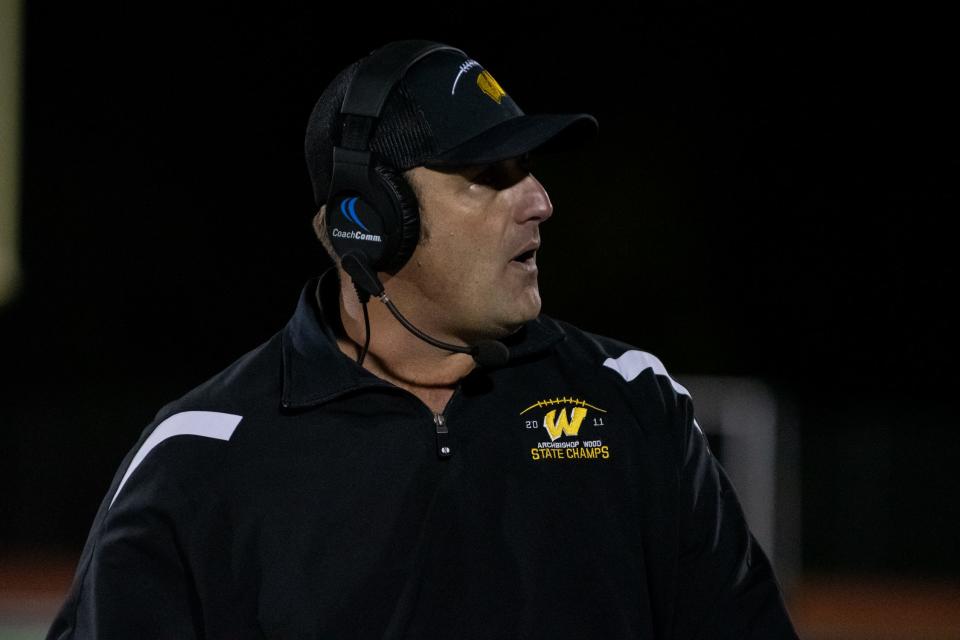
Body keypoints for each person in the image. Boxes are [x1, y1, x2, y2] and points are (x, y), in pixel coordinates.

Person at [46, 40, 799, 639]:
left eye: (528, 169)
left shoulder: (632, 402)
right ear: (370, 217)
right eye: (488, 175)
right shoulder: (199, 460)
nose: (539, 200)